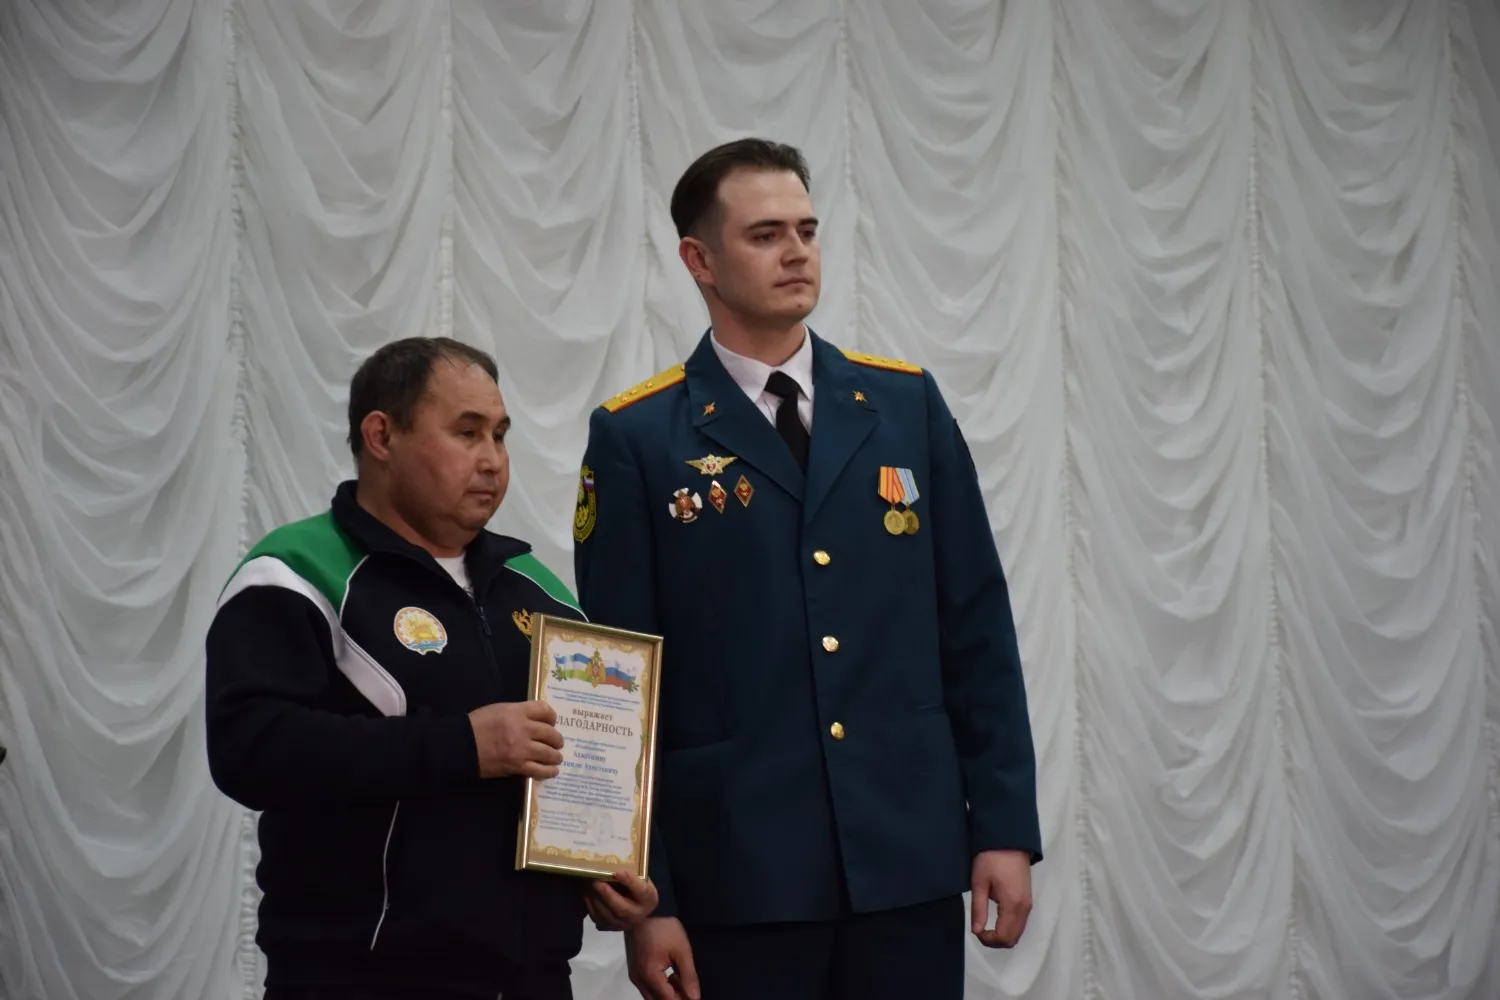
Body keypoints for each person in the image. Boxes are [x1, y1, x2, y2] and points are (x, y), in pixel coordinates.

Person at [572, 139, 1043, 1000]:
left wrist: (1003, 827)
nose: (796, 252)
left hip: (904, 859)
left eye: (807, 230)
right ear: (698, 260)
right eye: (765, 235)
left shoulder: (903, 406)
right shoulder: (638, 437)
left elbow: (975, 628)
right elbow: (616, 682)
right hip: (739, 876)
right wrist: (650, 899)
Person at [205, 337, 658, 1000]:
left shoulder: (539, 591)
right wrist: (463, 745)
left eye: (500, 435)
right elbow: (251, 751)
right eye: (466, 433)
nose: (492, 460)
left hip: (532, 980)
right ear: (381, 436)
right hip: (357, 978)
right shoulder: (296, 573)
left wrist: (601, 873)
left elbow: (572, 775)